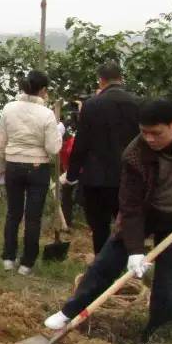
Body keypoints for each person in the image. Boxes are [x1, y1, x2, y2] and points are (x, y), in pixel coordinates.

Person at [45, 99, 172, 344]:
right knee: (106, 262)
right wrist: (136, 250)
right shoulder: (134, 155)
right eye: (144, 132)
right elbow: (130, 207)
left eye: (155, 133)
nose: (149, 138)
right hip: (144, 213)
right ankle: (69, 312)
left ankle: (157, 336)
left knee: (168, 279)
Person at [61, 62, 140, 254]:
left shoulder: (92, 105)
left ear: (101, 80)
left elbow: (82, 143)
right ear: (121, 79)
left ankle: (101, 264)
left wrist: (71, 175)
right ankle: (128, 264)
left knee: (99, 226)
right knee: (129, 224)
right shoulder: (138, 102)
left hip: (97, 177)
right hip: (128, 175)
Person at [0, 71, 63, 275]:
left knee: (13, 213)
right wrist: (58, 132)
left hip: (13, 164)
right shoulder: (47, 114)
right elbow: (53, 148)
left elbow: (0, 144)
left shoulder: (9, 109)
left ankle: (8, 258)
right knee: (33, 217)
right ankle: (26, 264)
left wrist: (0, 169)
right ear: (43, 90)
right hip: (37, 167)